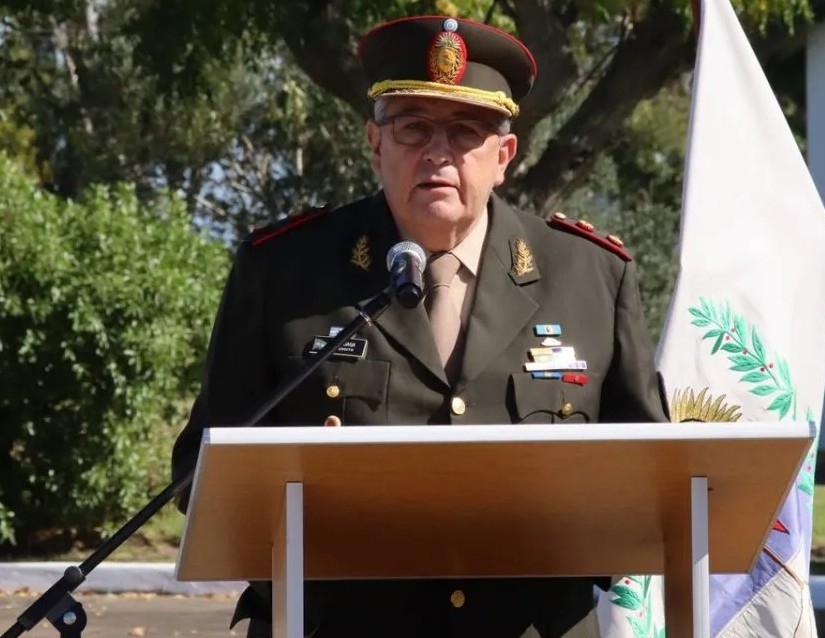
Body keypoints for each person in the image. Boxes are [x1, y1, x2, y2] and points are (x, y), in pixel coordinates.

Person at [171, 14, 670, 638]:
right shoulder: (285, 273)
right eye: (412, 128)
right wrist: (301, 489)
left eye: (465, 132)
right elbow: (199, 474)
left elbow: (656, 488)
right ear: (375, 145)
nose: (437, 153)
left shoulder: (590, 276)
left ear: (504, 156)